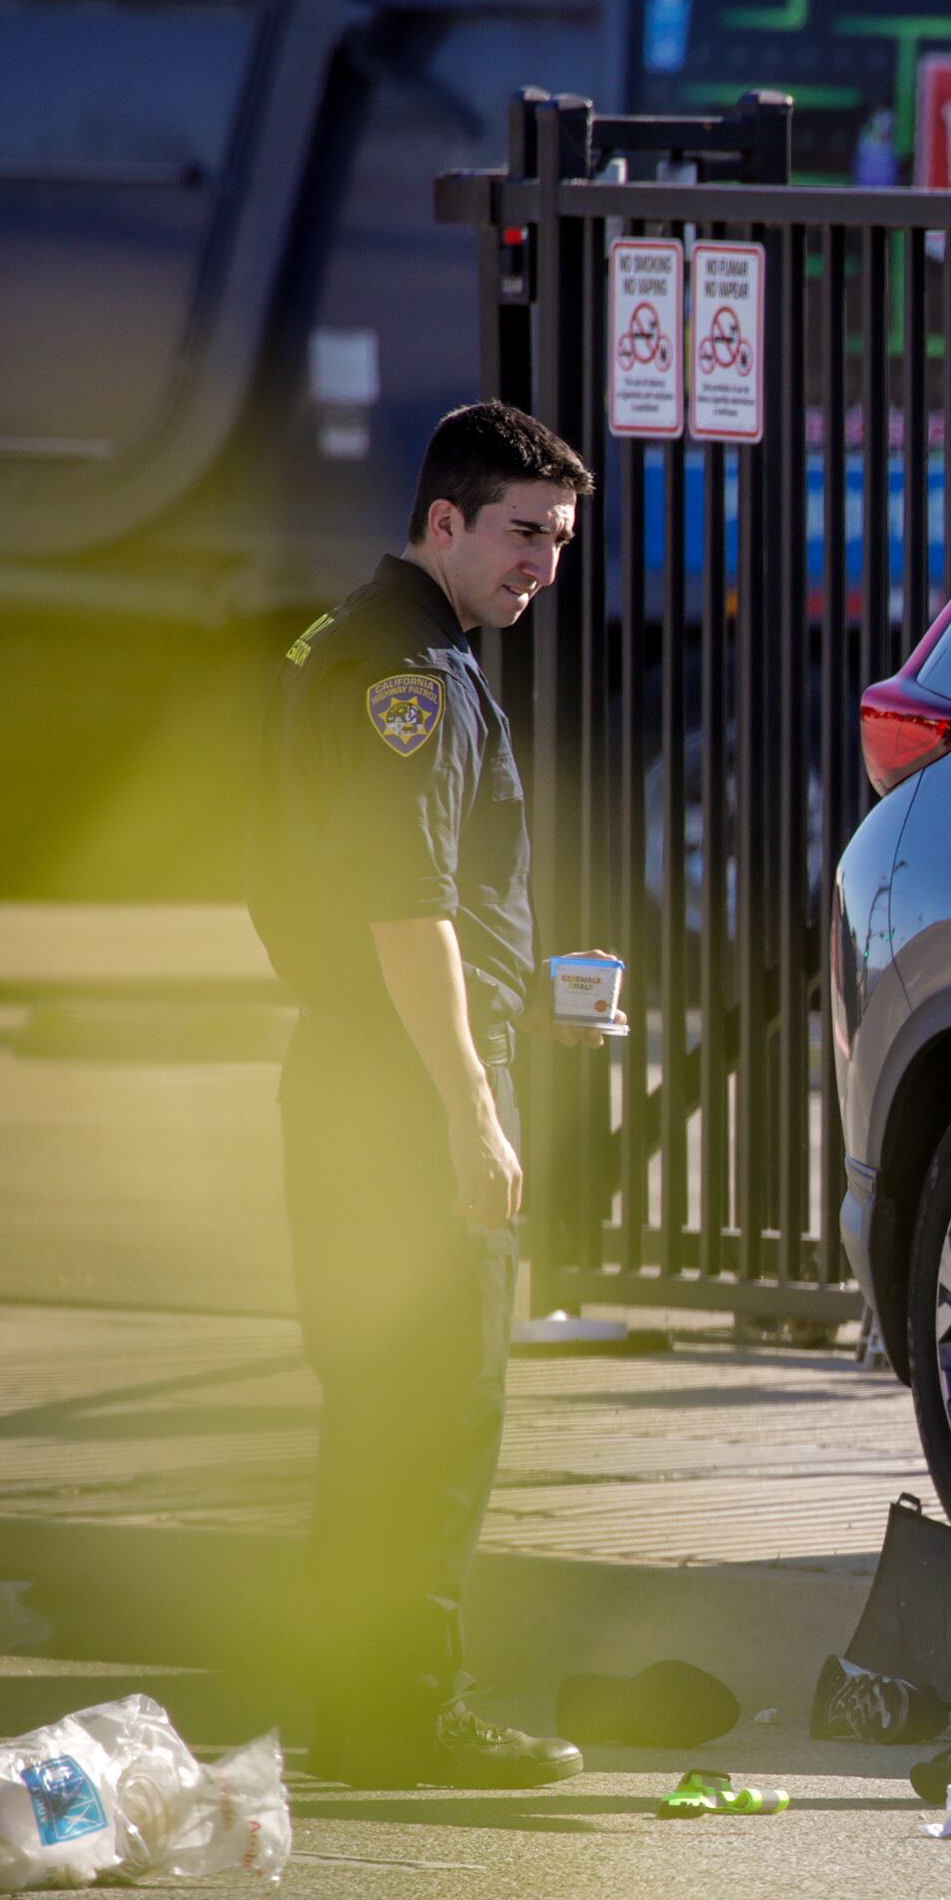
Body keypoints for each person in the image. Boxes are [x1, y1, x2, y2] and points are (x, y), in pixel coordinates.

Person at [247, 401, 608, 1788]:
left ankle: (359, 1708)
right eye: (522, 532)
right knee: (438, 1405)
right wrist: (473, 1101)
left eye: (561, 541)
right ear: (442, 520)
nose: (543, 565)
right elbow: (410, 908)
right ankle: (407, 1709)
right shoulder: (411, 674)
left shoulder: (345, 641)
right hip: (401, 1094)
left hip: (345, 1069)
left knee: (375, 1400)